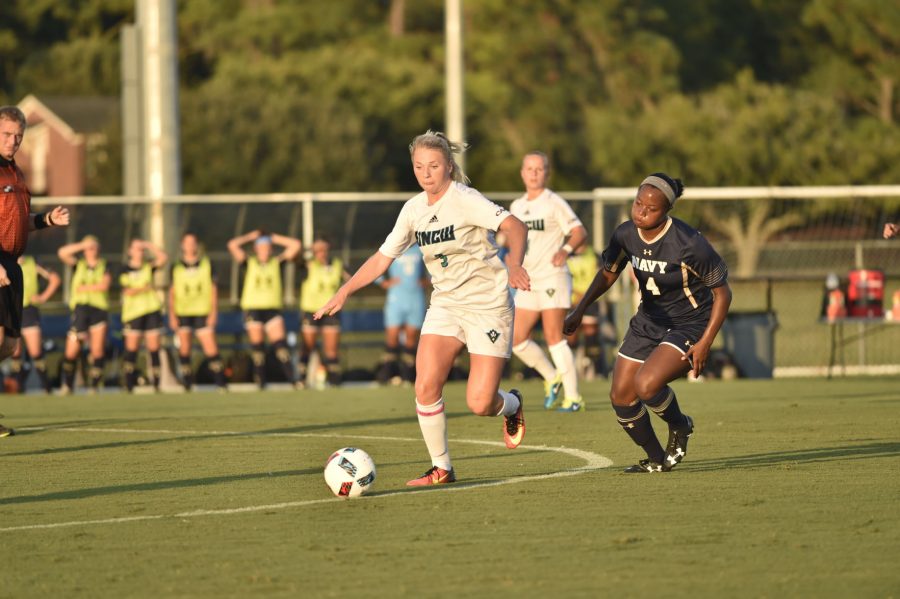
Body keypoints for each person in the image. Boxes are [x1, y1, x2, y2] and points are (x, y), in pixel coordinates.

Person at [314, 130, 530, 486]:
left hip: (488, 305)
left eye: (433, 166)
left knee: (480, 403)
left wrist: (515, 264)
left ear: (448, 166)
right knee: (425, 386)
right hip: (445, 304)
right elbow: (384, 257)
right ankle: (441, 468)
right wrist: (346, 290)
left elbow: (515, 225)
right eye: (419, 167)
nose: (426, 173)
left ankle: (511, 404)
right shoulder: (413, 210)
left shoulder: (464, 199)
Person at [564, 173, 732, 473]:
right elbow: (608, 273)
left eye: (650, 208)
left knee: (646, 385)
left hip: (690, 323)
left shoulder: (689, 243)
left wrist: (705, 341)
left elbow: (723, 293)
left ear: (666, 210)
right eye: (638, 203)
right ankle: (657, 459)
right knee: (621, 397)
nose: (640, 211)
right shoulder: (625, 234)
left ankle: (680, 425)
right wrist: (580, 309)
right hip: (649, 319)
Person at [0, 104, 70, 436]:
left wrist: (46, 220)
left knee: (10, 347)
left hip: (12, 265)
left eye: (18, 136)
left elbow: (19, 223)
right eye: (7, 134)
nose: (13, 141)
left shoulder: (17, 174)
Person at [509, 151, 587, 411]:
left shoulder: (554, 202)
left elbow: (579, 232)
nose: (533, 173)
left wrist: (565, 250)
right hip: (528, 279)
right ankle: (552, 376)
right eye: (529, 168)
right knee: (517, 338)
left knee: (554, 336)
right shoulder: (517, 207)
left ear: (546, 173)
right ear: (522, 173)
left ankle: (573, 397)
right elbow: (512, 243)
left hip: (553, 276)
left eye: (539, 169)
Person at [228, 229, 302, 388]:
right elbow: (232, 245)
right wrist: (250, 236)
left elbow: (296, 245)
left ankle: (293, 380)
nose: (265, 249)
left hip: (272, 310)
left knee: (281, 347)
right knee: (258, 349)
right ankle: (260, 381)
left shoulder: (277, 262)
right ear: (256, 248)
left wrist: (274, 237)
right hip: (253, 309)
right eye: (262, 246)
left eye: (268, 246)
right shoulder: (249, 263)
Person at [168, 232, 227, 391]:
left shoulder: (207, 263)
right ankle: (188, 384)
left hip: (202, 311)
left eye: (193, 242)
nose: (190, 246)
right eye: (187, 243)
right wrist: (172, 314)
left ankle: (221, 383)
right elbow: (172, 292)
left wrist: (213, 311)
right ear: (182, 245)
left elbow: (213, 290)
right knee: (185, 348)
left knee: (211, 348)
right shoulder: (176, 266)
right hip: (183, 312)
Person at [58, 236, 111, 393]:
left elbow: (104, 286)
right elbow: (62, 252)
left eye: (93, 246)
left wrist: (86, 288)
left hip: (98, 310)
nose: (91, 250)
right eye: (88, 247)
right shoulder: (78, 264)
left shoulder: (104, 265)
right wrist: (82, 245)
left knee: (97, 350)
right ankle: (67, 385)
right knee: (71, 350)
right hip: (80, 310)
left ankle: (94, 386)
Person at [298, 236, 349, 387]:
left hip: (330, 313)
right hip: (310, 312)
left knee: (331, 351)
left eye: (324, 249)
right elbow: (294, 255)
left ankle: (334, 381)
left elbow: (354, 279)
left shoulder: (337, 265)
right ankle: (301, 380)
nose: (321, 253)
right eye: (318, 250)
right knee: (307, 347)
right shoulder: (308, 265)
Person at [374, 244, 428, 385]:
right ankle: (389, 373)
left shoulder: (421, 248)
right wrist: (383, 282)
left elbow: (435, 264)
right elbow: (374, 264)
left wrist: (427, 280)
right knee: (392, 337)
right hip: (396, 299)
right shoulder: (394, 245)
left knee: (411, 338)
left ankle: (408, 376)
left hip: (415, 299)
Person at [119, 238, 168, 392]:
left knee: (154, 348)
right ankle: (129, 384)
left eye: (141, 249)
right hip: (133, 314)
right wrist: (144, 288)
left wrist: (148, 244)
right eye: (136, 248)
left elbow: (163, 258)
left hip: (151, 311)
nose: (139, 251)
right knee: (132, 349)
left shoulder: (148, 267)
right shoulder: (124, 269)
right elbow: (127, 290)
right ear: (130, 251)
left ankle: (156, 384)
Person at [9, 255, 61, 393]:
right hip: (10, 310)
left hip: (28, 311)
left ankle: (47, 387)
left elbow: (55, 279)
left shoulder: (34, 263)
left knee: (35, 351)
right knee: (15, 351)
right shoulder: (5, 263)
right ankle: (16, 386)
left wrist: (43, 297)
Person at [566, 244, 612, 379]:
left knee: (591, 334)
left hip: (590, 301)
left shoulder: (595, 255)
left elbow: (602, 277)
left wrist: (587, 295)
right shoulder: (566, 255)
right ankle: (570, 369)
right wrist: (573, 292)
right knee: (570, 336)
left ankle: (594, 370)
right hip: (572, 301)